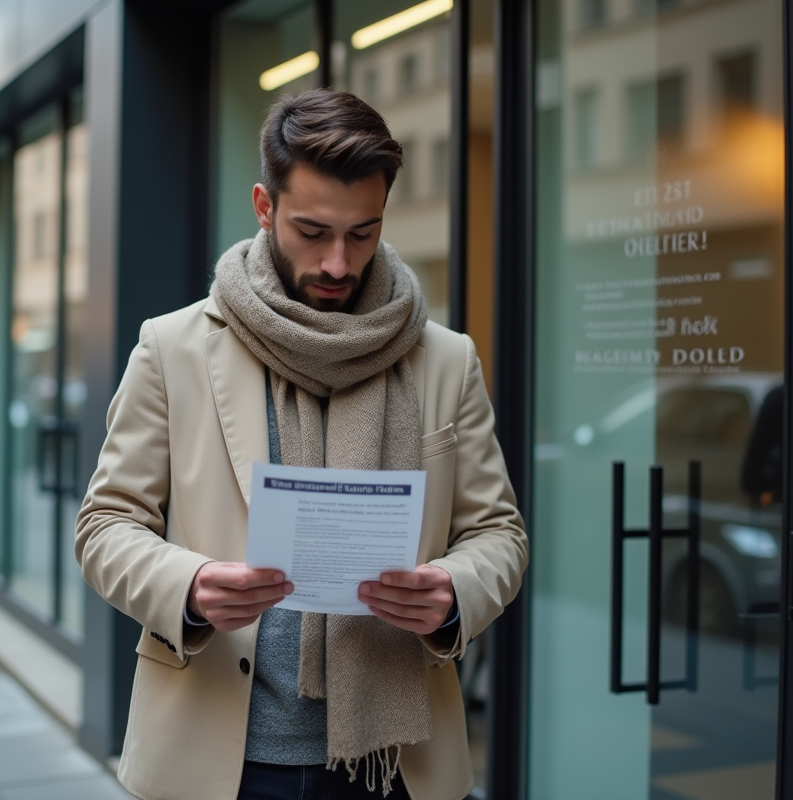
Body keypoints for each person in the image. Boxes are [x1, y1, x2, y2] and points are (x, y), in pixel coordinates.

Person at [75, 89, 528, 800]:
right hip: (222, 759)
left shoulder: (446, 360)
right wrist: (187, 587)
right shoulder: (172, 348)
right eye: (312, 232)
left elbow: (499, 534)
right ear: (264, 206)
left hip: (397, 764)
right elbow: (103, 527)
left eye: (363, 232)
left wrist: (453, 592)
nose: (339, 264)